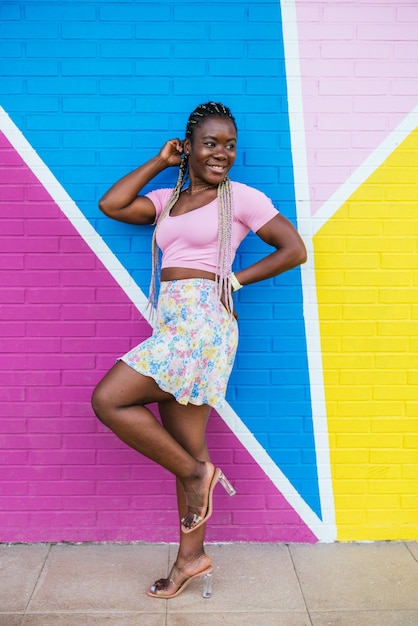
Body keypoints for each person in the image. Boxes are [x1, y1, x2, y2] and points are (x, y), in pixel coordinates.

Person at [91, 101, 307, 599]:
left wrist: (233, 279)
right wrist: (160, 162)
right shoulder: (167, 199)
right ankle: (191, 557)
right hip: (173, 319)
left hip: (204, 323)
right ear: (188, 147)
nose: (222, 154)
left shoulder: (243, 198)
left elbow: (293, 248)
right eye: (211, 144)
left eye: (229, 145)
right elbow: (113, 204)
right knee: (188, 448)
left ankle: (196, 475)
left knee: (109, 400)